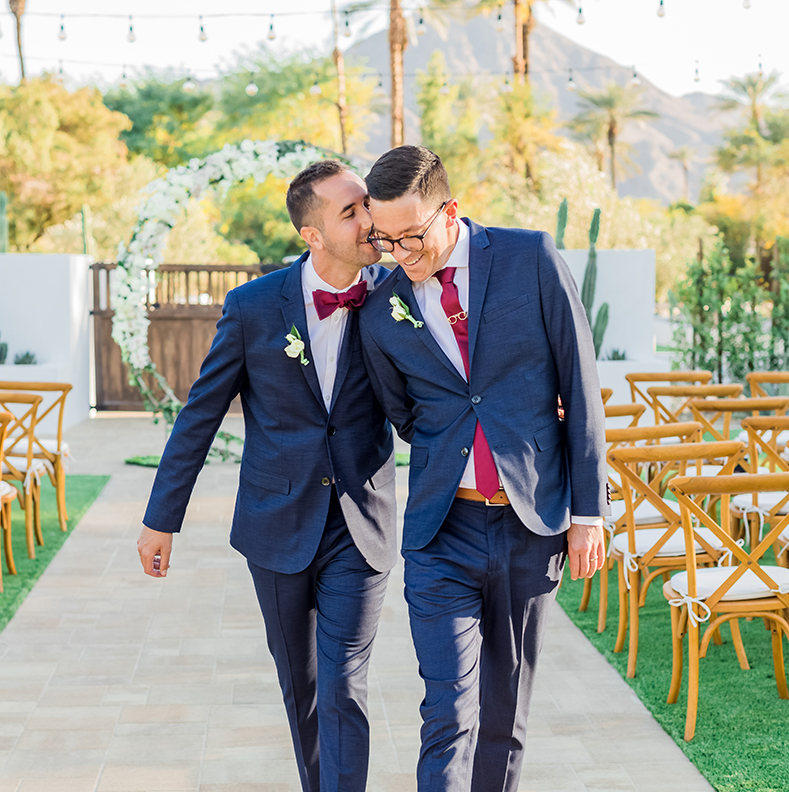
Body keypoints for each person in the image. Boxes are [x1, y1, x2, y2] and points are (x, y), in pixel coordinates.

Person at [137, 159, 398, 792]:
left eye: (366, 205)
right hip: (275, 527)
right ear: (312, 234)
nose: (369, 220)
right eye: (351, 212)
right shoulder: (253, 307)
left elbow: (448, 387)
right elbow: (199, 416)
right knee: (302, 687)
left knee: (344, 684)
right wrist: (159, 519)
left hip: (360, 527)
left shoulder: (397, 298)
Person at [358, 145, 609, 792]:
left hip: (532, 526)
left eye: (412, 236)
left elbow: (579, 386)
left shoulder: (530, 258)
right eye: (386, 241)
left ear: (452, 211)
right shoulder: (383, 306)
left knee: (505, 712)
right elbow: (404, 413)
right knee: (446, 711)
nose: (401, 254)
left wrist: (587, 513)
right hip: (443, 531)